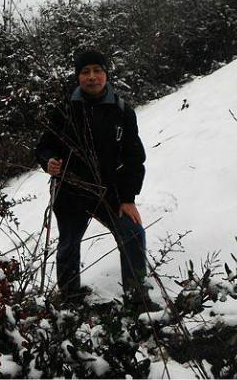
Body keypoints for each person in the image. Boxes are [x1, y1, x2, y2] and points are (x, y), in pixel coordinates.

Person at [35, 49, 159, 312]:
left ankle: (137, 298)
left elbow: (134, 158)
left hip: (109, 190)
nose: (92, 77)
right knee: (69, 242)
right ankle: (70, 299)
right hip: (70, 188)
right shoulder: (64, 110)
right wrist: (49, 161)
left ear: (106, 74)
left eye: (97, 71)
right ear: (78, 76)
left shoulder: (122, 111)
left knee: (132, 232)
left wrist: (127, 198)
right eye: (85, 72)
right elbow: (45, 146)